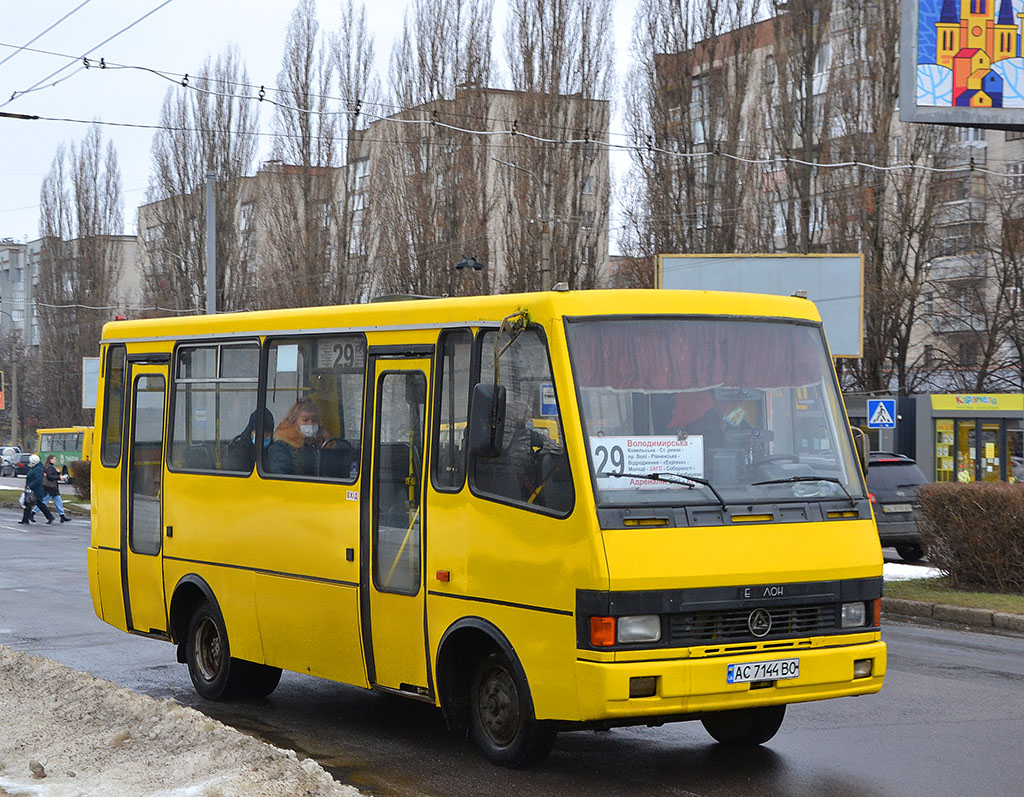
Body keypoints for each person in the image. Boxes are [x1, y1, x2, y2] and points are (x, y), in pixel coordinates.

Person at [267, 399, 326, 476]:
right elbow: (281, 476)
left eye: (314, 420)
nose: (310, 424)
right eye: (305, 420)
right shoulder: (281, 447)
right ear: (293, 421)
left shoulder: (322, 443)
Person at [19, 454, 55, 525]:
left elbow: (38, 479)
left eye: (31, 461)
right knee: (29, 503)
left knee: (37, 503)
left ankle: (50, 517)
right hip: (32, 489)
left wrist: (30, 486)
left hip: (36, 490)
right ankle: (25, 520)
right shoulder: (35, 467)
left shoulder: (38, 469)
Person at [35, 454, 69, 523]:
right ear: (50, 460)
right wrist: (59, 477)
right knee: (44, 502)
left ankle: (62, 516)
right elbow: (50, 477)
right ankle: (33, 513)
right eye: (54, 459)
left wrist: (57, 472)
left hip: (53, 488)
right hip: (50, 488)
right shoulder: (50, 467)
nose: (55, 460)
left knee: (58, 501)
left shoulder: (49, 467)